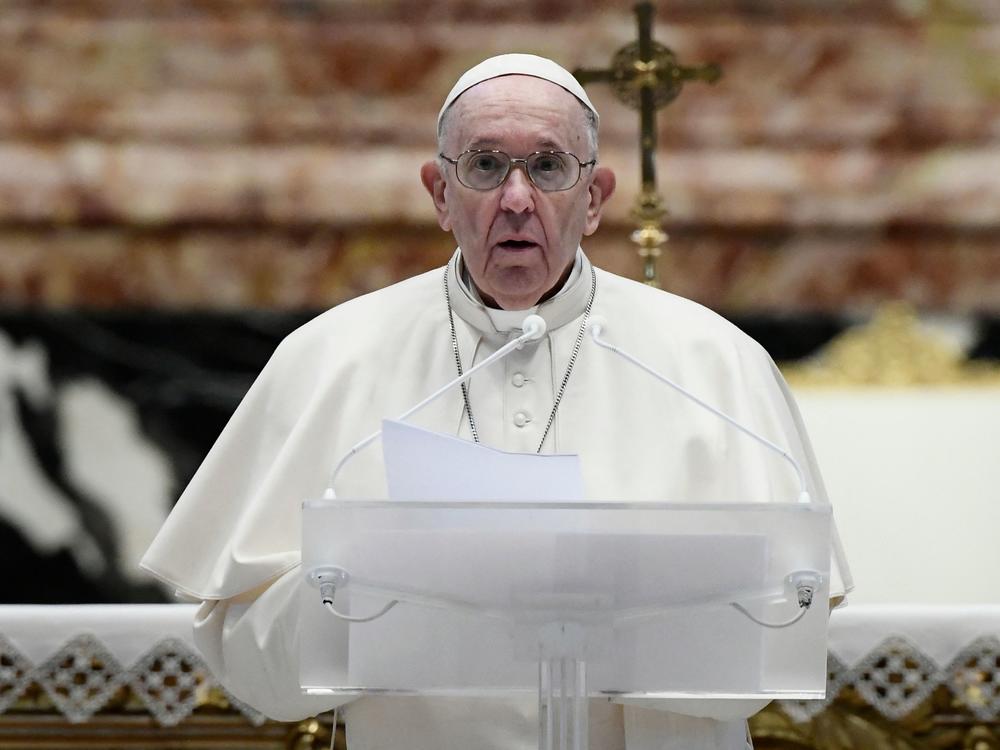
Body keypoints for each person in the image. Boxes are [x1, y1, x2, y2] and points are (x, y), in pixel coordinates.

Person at [142, 54, 852, 749]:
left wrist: (607, 616)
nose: (517, 199)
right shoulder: (329, 358)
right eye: (484, 165)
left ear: (596, 196)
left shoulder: (713, 362)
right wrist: (371, 597)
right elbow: (245, 662)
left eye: (547, 167)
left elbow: (787, 633)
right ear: (440, 195)